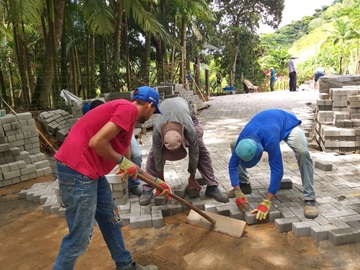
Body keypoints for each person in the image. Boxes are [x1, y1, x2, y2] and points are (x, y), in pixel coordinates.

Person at [53, 86, 170, 270]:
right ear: (150, 105)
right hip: (78, 170)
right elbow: (96, 142)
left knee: (110, 218)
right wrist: (123, 162)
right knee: (79, 237)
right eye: (155, 110)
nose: (153, 114)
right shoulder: (128, 109)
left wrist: (156, 183)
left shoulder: (127, 119)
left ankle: (124, 265)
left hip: (91, 173)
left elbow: (131, 167)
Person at [227, 109, 318, 220]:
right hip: (267, 125)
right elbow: (232, 165)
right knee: (233, 143)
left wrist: (267, 201)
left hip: (289, 125)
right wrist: (237, 191)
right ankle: (243, 185)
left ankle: (310, 198)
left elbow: (277, 170)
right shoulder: (243, 139)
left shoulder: (270, 139)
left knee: (302, 152)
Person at [139, 96, 230, 206]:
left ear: (183, 138)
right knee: (153, 155)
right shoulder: (157, 133)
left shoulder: (189, 129)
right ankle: (148, 189)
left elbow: (194, 152)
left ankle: (212, 186)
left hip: (186, 114)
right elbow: (158, 157)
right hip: (166, 113)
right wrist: (161, 183)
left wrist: (192, 177)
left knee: (200, 148)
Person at [88, 99, 143, 196]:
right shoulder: (92, 121)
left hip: (122, 130)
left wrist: (126, 163)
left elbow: (125, 145)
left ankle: (133, 184)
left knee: (136, 155)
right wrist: (122, 162)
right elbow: (97, 144)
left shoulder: (118, 116)